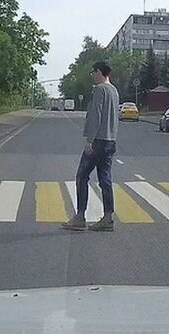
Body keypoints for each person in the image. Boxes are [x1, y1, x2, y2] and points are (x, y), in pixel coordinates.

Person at [63, 61, 119, 232]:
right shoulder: (114, 90)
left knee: (81, 176)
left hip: (98, 141)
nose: (92, 75)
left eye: (93, 72)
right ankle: (108, 217)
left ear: (100, 72)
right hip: (110, 140)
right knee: (105, 179)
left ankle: (80, 217)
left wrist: (89, 141)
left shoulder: (100, 89)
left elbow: (96, 115)